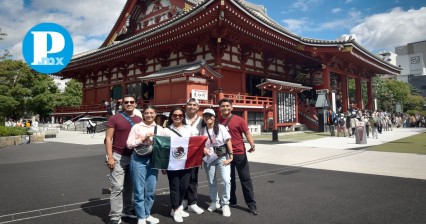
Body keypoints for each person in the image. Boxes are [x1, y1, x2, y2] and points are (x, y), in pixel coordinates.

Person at [105, 95, 143, 224]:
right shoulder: (114, 118)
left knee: (129, 186)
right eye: (126, 102)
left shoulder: (139, 119)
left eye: (131, 102)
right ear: (122, 104)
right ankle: (115, 215)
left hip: (134, 156)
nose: (129, 104)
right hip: (118, 155)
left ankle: (127, 209)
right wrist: (110, 157)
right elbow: (108, 139)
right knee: (117, 186)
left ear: (135, 104)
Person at [218, 98, 259, 216]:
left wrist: (252, 144)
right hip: (225, 154)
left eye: (227, 106)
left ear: (231, 107)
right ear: (219, 108)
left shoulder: (239, 120)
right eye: (223, 106)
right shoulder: (217, 120)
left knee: (245, 179)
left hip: (239, 153)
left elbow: (247, 133)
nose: (225, 108)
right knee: (228, 180)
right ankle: (232, 200)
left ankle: (251, 205)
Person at [126, 105, 164, 224]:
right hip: (138, 158)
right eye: (147, 113)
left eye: (151, 113)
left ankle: (147, 214)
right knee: (138, 189)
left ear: (155, 114)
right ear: (143, 114)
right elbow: (129, 144)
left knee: (150, 189)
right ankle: (140, 216)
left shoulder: (159, 128)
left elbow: (164, 146)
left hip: (153, 159)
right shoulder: (136, 127)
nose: (149, 115)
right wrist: (142, 139)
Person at [201, 108, 233, 217]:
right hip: (209, 157)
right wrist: (203, 150)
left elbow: (228, 140)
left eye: (210, 116)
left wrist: (231, 156)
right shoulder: (202, 129)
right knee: (211, 181)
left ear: (214, 117)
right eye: (205, 116)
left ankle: (225, 204)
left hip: (222, 156)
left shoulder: (221, 128)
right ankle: (215, 201)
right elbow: (201, 143)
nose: (208, 118)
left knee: (226, 180)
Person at [163, 107, 193, 222]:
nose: (177, 117)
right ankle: (175, 209)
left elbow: (194, 142)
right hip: (172, 163)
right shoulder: (166, 131)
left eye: (180, 115)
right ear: (171, 117)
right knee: (175, 187)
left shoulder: (188, 129)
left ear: (183, 117)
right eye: (175, 115)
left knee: (184, 186)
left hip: (186, 163)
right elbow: (163, 149)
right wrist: (164, 165)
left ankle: (178, 206)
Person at [181, 98, 204, 215]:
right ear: (186, 106)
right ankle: (183, 200)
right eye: (189, 104)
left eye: (194, 105)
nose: (192, 106)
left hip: (196, 153)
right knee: (182, 177)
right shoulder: (180, 118)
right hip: (181, 153)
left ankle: (192, 203)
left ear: (198, 108)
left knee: (193, 178)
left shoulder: (202, 120)